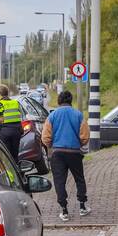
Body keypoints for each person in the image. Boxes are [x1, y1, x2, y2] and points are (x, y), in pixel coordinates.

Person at [41, 90, 90, 222]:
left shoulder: (52, 116)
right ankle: (82, 206)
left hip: (57, 153)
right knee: (79, 179)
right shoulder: (78, 115)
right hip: (74, 153)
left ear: (58, 101)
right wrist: (78, 143)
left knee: (59, 181)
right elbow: (85, 136)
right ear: (70, 101)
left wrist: (52, 145)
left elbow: (45, 137)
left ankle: (64, 210)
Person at [0, 84, 23, 161]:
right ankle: (17, 169)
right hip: (16, 131)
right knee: (15, 154)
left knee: (5, 155)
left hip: (4, 131)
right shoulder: (15, 102)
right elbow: (21, 115)